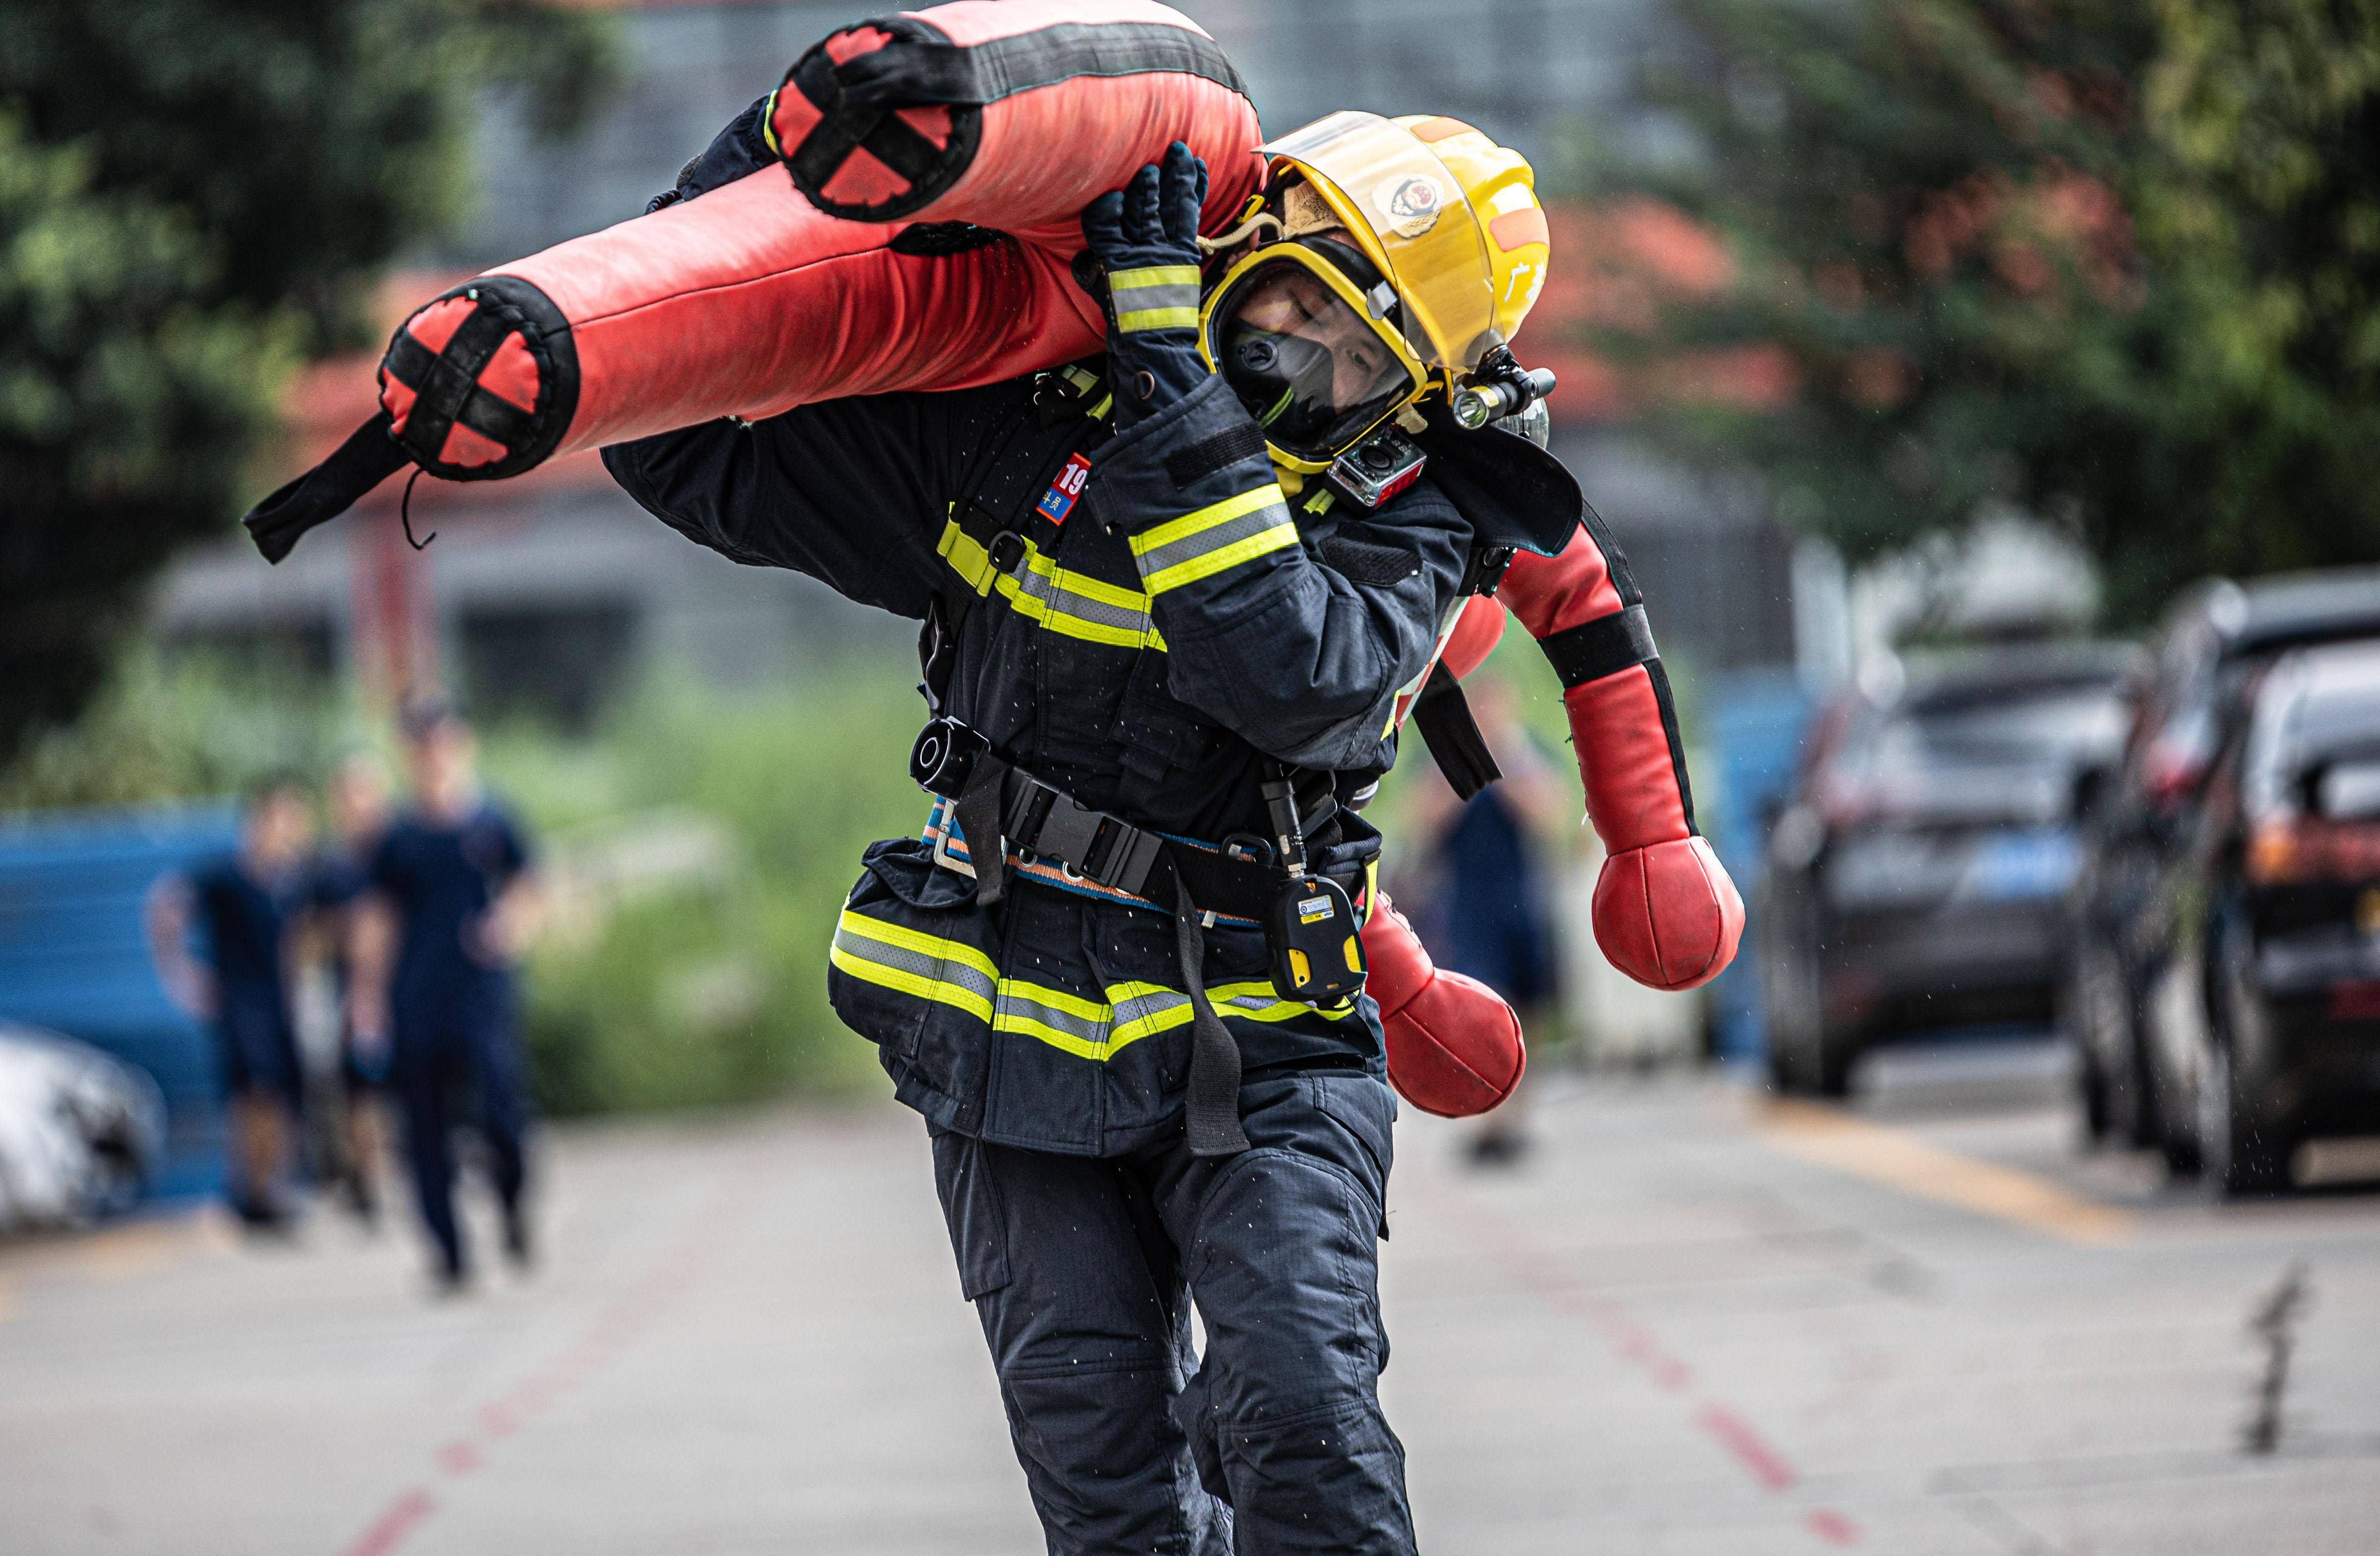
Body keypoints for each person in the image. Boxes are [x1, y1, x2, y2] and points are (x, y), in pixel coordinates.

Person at [603, 111, 1738, 1554]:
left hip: (1266, 1030)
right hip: (1009, 1017)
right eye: (1292, 291)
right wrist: (770, 147)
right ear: (1239, 249)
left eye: (1354, 346)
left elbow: (1290, 671)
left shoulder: (1417, 512)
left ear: (1417, 392)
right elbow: (673, 414)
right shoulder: (1013, 439)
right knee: (1116, 1503)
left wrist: (1168, 380)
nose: (1297, 346)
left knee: (1303, 1426)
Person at [350, 703, 541, 1291]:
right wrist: (366, 997)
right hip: (417, 998)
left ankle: (511, 1200)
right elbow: (377, 921)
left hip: (481, 995)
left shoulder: (493, 821)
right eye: (422, 746)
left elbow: (531, 887)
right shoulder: (398, 839)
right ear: (410, 756)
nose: (434, 756)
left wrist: (509, 924)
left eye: (443, 743)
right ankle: (450, 1252)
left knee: (500, 1110)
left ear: (463, 745)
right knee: (423, 1127)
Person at [1406, 674, 1564, 1165]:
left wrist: (1504, 758)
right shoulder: (1441, 756)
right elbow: (1423, 822)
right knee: (1479, 1007)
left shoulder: (1523, 752)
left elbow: (1549, 816)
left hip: (1521, 895)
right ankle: (1487, 1118)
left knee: (1528, 1012)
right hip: (1468, 902)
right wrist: (1464, 764)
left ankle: (1516, 1116)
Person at [146, 778, 316, 1229]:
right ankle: (251, 1190)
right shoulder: (224, 874)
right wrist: (181, 976)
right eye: (284, 817)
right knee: (253, 1093)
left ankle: (271, 1188)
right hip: (239, 1002)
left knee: (279, 1094)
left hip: (280, 1003)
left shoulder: (290, 882)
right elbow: (165, 909)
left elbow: (304, 941)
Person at [302, 754, 393, 1225]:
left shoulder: (399, 853)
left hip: (404, 988)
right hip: (354, 995)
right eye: (347, 795)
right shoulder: (329, 870)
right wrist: (345, 932)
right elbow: (307, 935)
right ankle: (366, 1178)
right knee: (360, 1090)